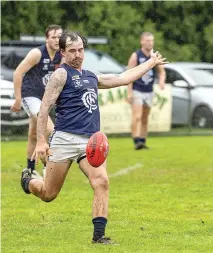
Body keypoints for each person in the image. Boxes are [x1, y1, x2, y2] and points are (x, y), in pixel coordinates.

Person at [20, 31, 167, 244]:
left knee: (102, 182)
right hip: (64, 140)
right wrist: (42, 141)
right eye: (72, 51)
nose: (78, 54)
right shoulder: (61, 75)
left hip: (90, 142)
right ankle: (29, 180)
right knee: (48, 194)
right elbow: (44, 109)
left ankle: (99, 237)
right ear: (62, 52)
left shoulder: (91, 75)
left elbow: (123, 78)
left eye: (80, 50)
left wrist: (151, 62)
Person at [11, 24, 63, 177]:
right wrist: (18, 99)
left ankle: (30, 170)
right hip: (30, 96)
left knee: (34, 135)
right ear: (47, 38)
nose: (57, 39)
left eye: (59, 36)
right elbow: (18, 73)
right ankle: (48, 168)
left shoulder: (61, 54)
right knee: (50, 129)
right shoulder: (37, 53)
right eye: (53, 37)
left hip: (44, 99)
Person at [127, 32, 166, 150]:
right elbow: (129, 74)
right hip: (137, 89)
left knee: (145, 117)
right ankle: (136, 140)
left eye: (152, 40)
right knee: (137, 116)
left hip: (149, 90)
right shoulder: (136, 55)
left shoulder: (154, 56)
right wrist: (129, 92)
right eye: (147, 40)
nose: (150, 43)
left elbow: (162, 71)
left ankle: (142, 141)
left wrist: (161, 81)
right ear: (142, 41)